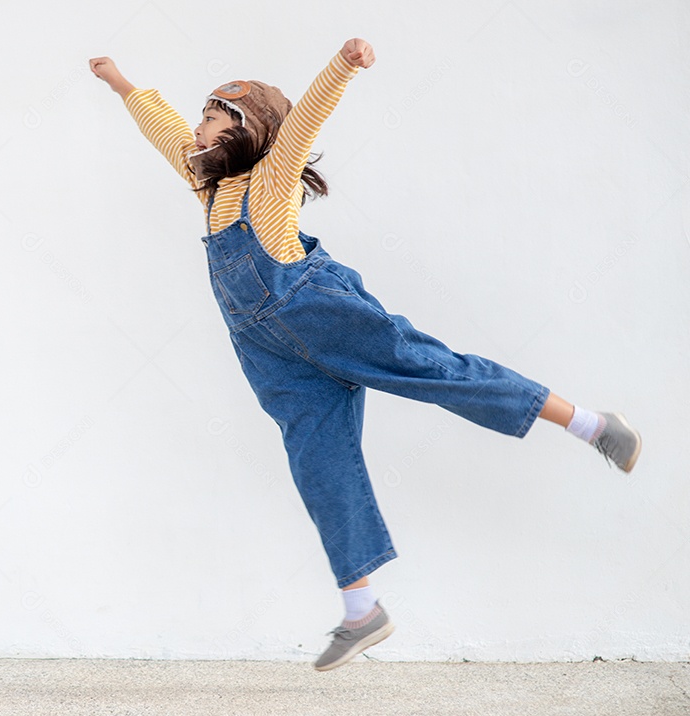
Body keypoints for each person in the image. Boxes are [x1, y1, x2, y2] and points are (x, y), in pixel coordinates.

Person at [88, 38, 643, 672]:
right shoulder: (205, 186)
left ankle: (594, 425)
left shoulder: (269, 186)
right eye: (202, 117)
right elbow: (163, 130)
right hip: (275, 355)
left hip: (328, 319)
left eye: (214, 117)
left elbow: (302, 126)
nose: (198, 126)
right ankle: (362, 611)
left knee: (436, 371)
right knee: (317, 461)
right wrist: (121, 83)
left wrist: (343, 67)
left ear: (250, 131)